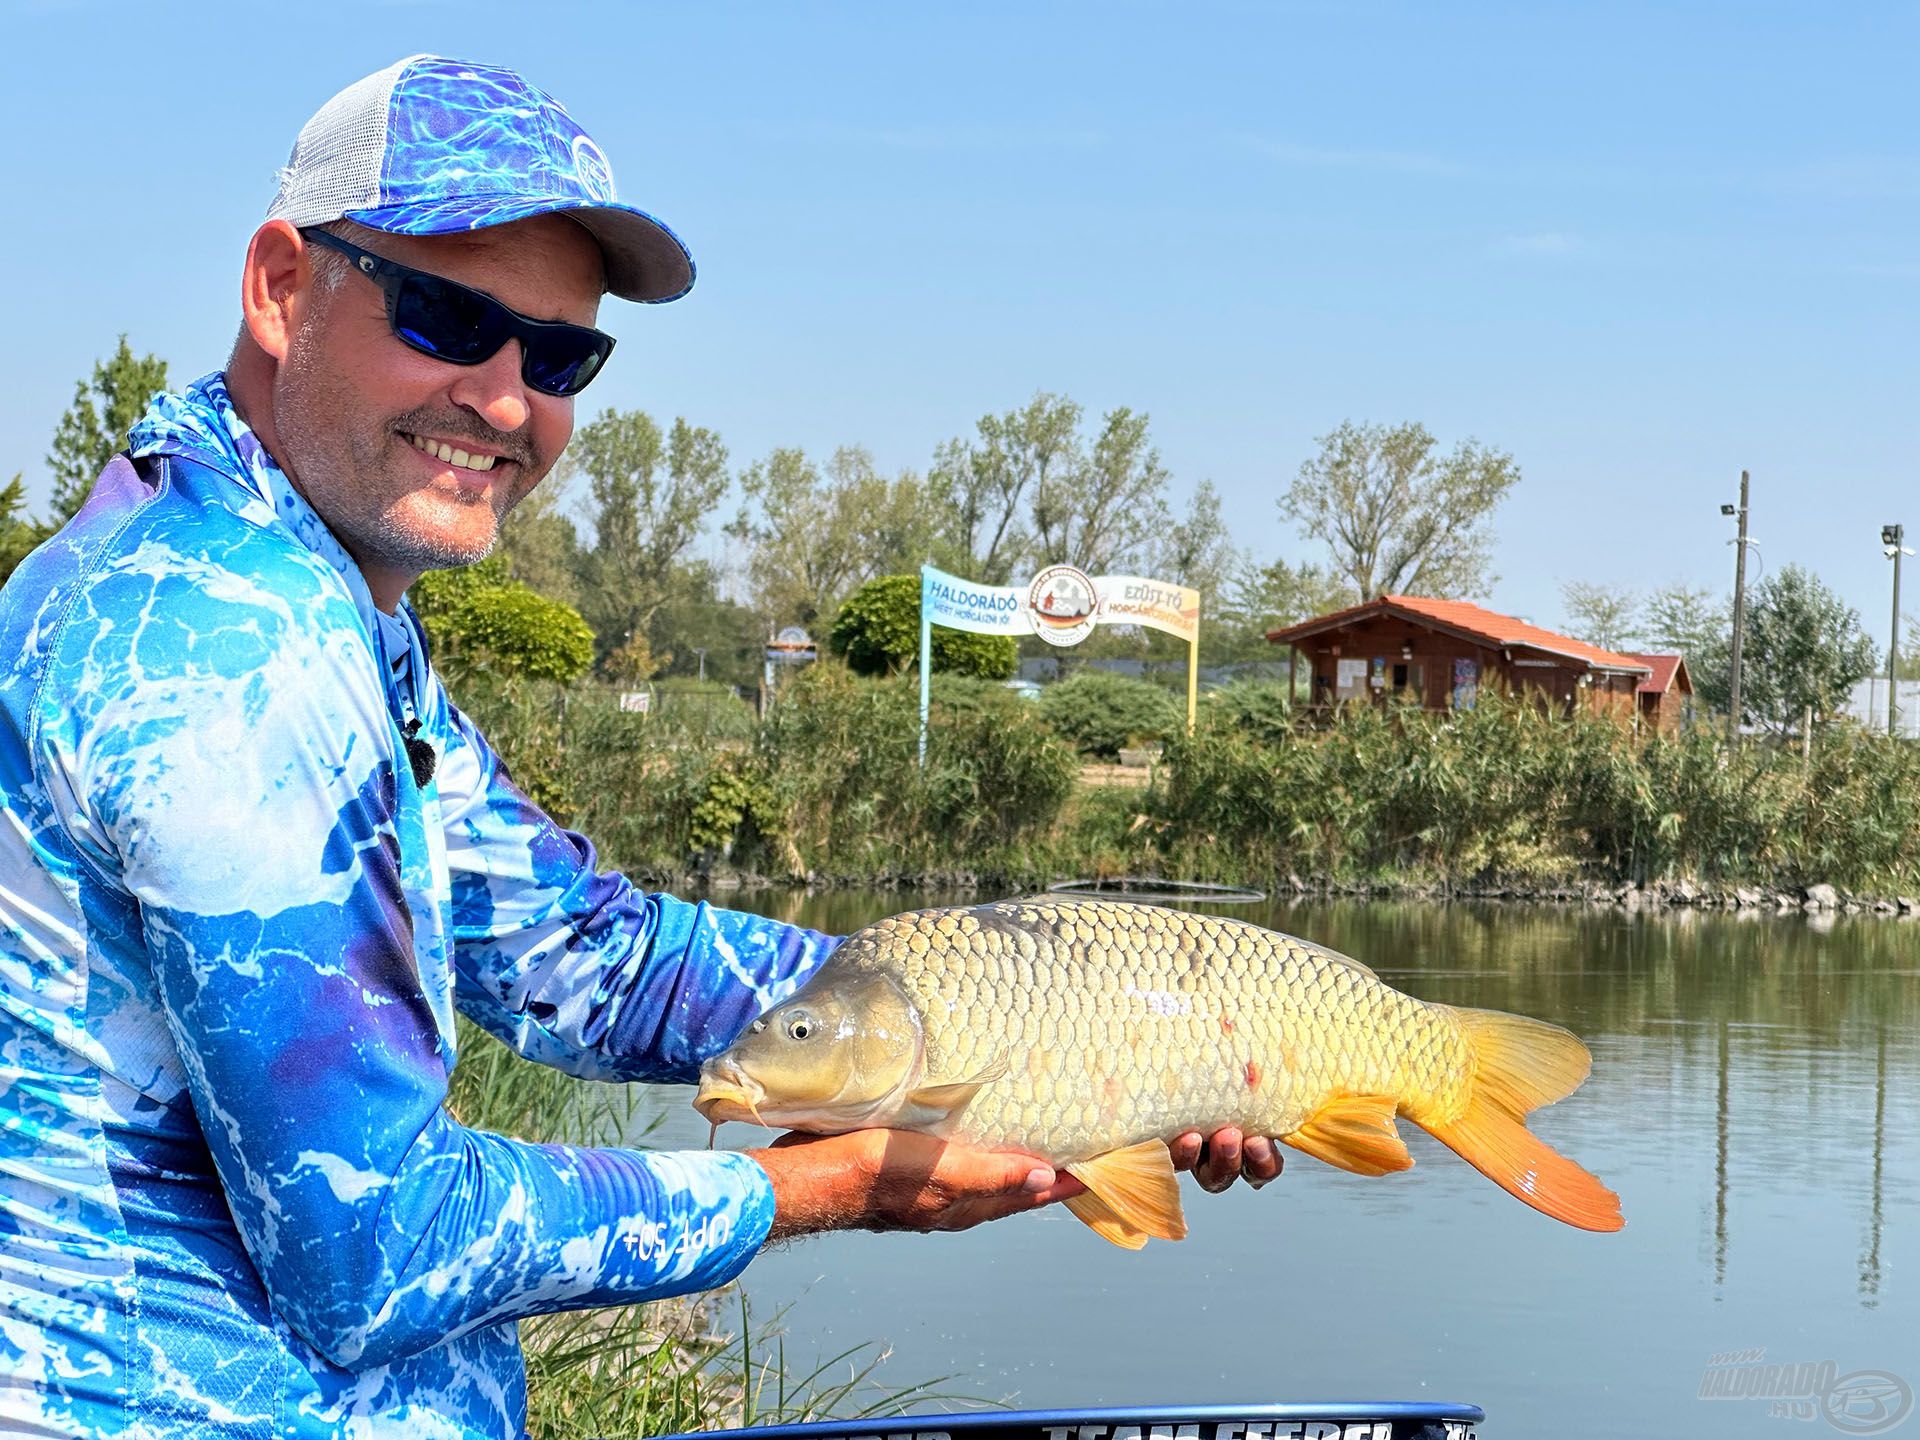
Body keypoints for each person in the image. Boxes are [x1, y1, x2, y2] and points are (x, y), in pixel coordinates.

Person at [0, 54, 1280, 1440]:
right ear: (281, 286)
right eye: (442, 316)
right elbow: (376, 1250)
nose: (504, 403)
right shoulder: (222, 657)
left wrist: (1024, 1028)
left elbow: (577, 952)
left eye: (559, 357)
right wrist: (819, 1186)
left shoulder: (295, 593)